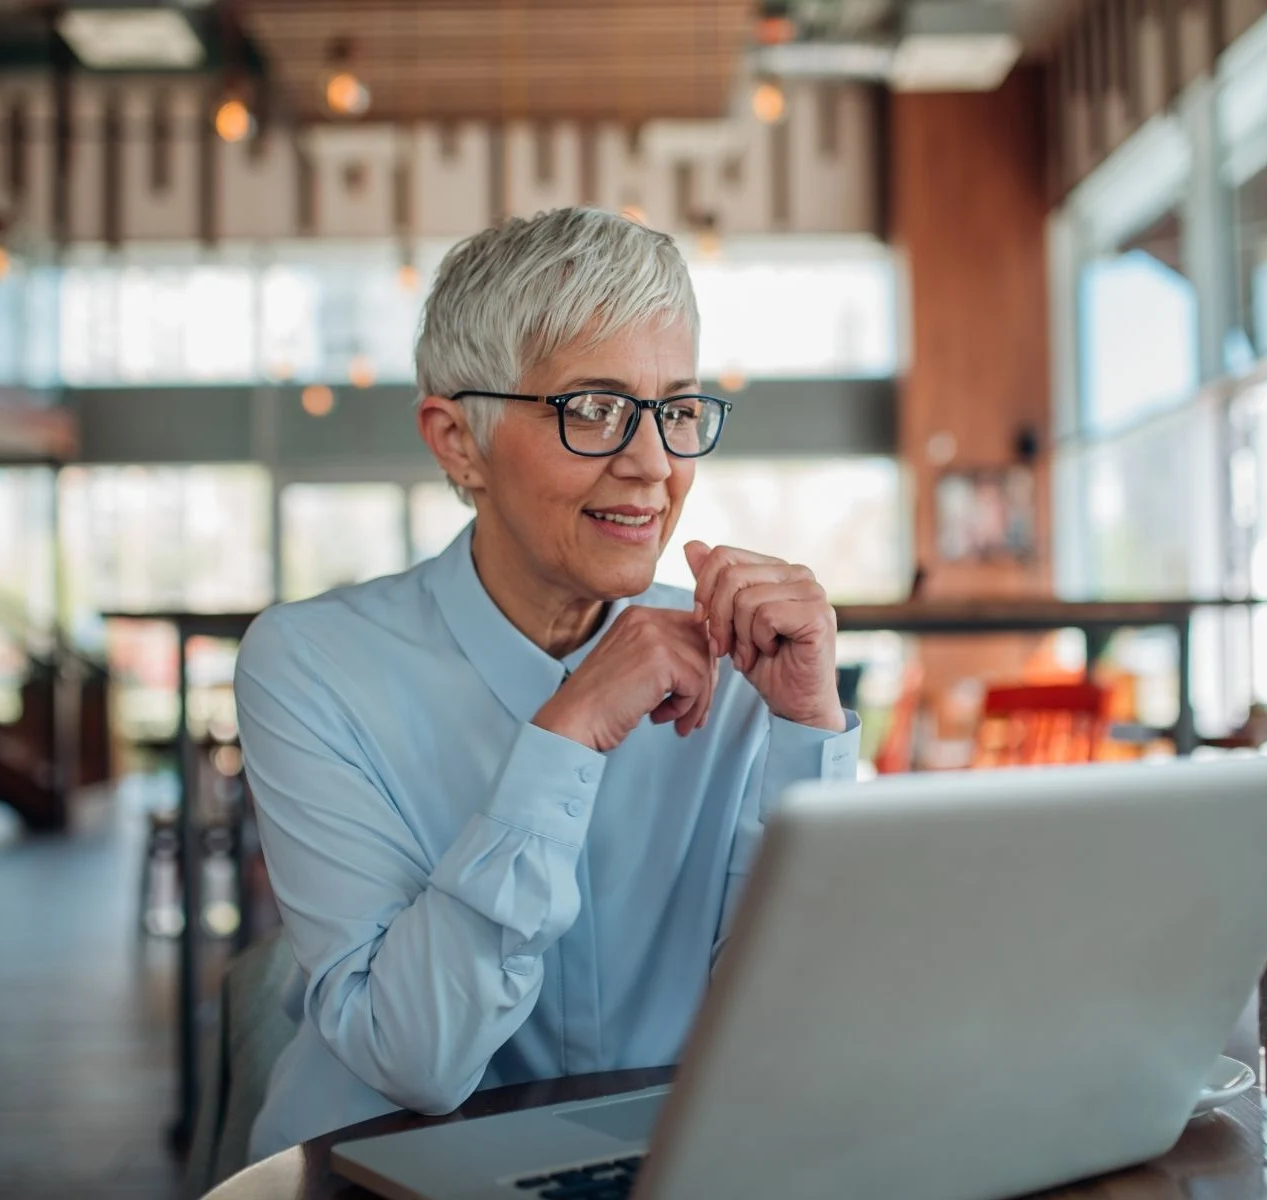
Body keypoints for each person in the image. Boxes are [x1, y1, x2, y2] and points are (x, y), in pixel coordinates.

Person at [234, 207, 860, 1159]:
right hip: (381, 1173)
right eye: (593, 408)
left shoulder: (746, 665)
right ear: (457, 443)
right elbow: (420, 1059)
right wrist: (563, 737)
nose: (652, 464)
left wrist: (809, 733)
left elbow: (809, 1026)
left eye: (677, 410)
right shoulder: (310, 668)